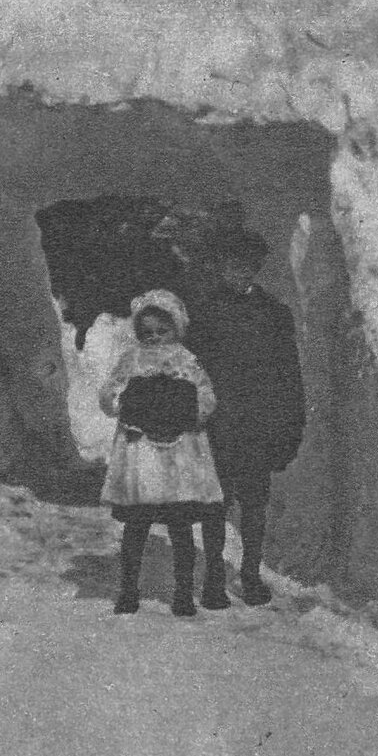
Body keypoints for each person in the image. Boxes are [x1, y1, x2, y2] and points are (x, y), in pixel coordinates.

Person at [185, 223, 306, 608]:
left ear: (257, 267)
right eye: (232, 264)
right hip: (217, 424)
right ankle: (214, 578)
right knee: (214, 505)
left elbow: (288, 376)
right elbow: (190, 373)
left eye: (248, 264)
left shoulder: (274, 314)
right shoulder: (203, 314)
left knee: (254, 506)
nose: (240, 271)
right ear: (220, 265)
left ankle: (250, 575)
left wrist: (290, 427)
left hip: (258, 424)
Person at [99, 289, 225, 616]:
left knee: (180, 527)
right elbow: (109, 393)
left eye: (162, 331)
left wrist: (191, 414)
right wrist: (125, 405)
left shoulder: (186, 360)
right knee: (137, 526)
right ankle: (129, 591)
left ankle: (182, 593)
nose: (154, 338)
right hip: (141, 453)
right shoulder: (132, 359)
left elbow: (207, 396)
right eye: (147, 333)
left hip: (179, 454)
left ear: (176, 329)